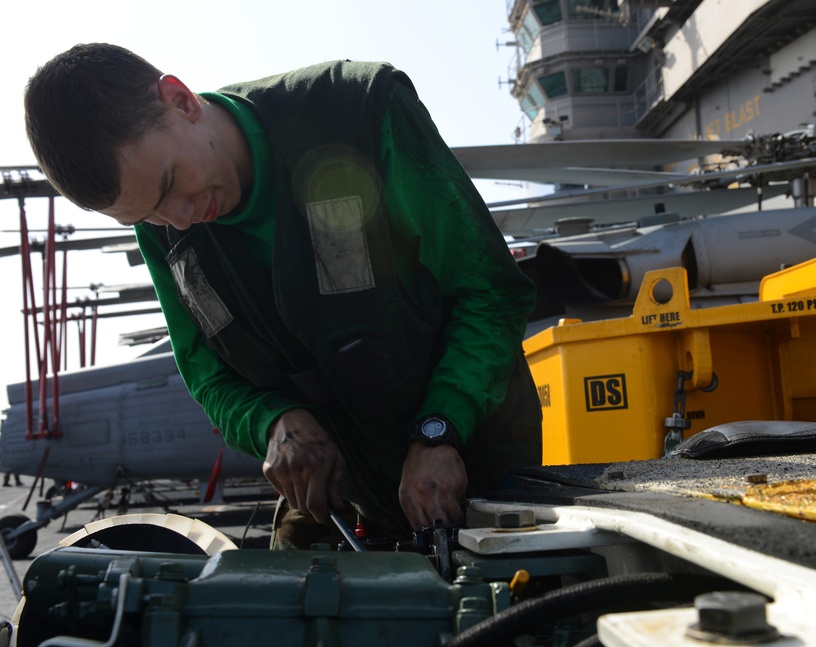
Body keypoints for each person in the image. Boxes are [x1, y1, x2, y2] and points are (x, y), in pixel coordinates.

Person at [24, 43, 542, 546]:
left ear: (180, 100)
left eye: (169, 185)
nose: (177, 219)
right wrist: (272, 422)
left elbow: (490, 289)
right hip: (338, 508)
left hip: (480, 478)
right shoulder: (163, 227)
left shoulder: (359, 111)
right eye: (147, 215)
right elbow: (209, 377)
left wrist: (440, 428)